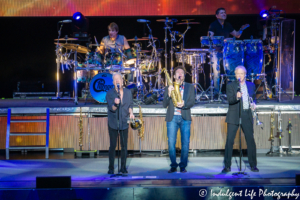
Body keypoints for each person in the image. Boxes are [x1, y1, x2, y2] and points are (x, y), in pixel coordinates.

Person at [222, 66, 259, 173]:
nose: (239, 76)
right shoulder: (231, 86)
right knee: (229, 140)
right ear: (235, 74)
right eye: (237, 74)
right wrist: (236, 97)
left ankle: (253, 165)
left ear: (245, 74)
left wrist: (254, 104)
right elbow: (230, 100)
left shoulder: (251, 85)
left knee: (250, 140)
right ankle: (227, 165)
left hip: (247, 114)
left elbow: (254, 97)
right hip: (234, 115)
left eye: (241, 74)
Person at [207, 7, 249, 92]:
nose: (224, 14)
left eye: (225, 12)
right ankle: (216, 93)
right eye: (222, 13)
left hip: (226, 52)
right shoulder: (213, 25)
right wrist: (223, 40)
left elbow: (237, 35)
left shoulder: (228, 25)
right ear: (217, 15)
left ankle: (231, 92)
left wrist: (241, 29)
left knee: (230, 71)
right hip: (216, 51)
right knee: (216, 73)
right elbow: (210, 38)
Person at [163, 66, 195, 173]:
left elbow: (192, 102)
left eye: (182, 73)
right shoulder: (169, 87)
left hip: (185, 117)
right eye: (178, 72)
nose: (180, 74)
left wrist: (184, 104)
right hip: (172, 118)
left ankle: (182, 166)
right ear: (174, 76)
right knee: (171, 143)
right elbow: (164, 104)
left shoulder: (190, 87)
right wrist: (168, 94)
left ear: (184, 77)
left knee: (185, 143)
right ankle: (173, 165)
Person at [105, 72, 135, 174]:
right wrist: (115, 103)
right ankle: (111, 167)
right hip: (113, 122)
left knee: (124, 146)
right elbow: (111, 108)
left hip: (124, 122)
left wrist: (131, 113)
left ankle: (123, 167)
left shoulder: (128, 92)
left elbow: (130, 105)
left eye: (119, 79)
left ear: (123, 81)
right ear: (113, 82)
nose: (118, 81)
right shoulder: (110, 93)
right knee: (113, 146)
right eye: (115, 80)